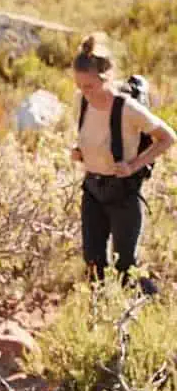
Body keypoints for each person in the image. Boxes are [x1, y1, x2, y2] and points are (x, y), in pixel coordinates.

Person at [70, 32, 175, 292]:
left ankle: (150, 308)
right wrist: (80, 151)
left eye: (90, 86)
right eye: (80, 85)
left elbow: (167, 138)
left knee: (126, 266)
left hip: (123, 194)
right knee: (93, 263)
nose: (84, 92)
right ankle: (100, 320)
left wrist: (134, 165)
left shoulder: (127, 108)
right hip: (92, 191)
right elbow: (91, 136)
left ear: (106, 78)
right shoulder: (81, 101)